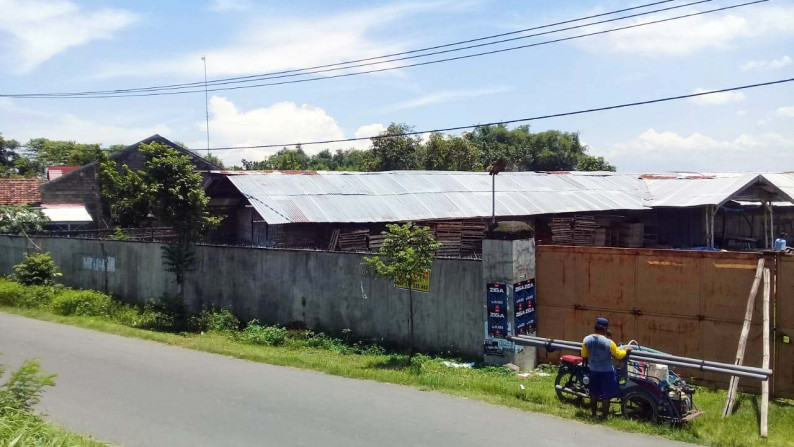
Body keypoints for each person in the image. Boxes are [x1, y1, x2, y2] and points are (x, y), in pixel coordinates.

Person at [581, 317, 632, 418]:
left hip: (593, 370)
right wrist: (626, 350)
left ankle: (594, 414)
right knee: (606, 394)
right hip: (607, 371)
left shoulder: (586, 339)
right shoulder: (609, 342)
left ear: (595, 326)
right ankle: (604, 416)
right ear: (605, 329)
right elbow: (618, 355)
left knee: (593, 393)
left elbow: (584, 354)